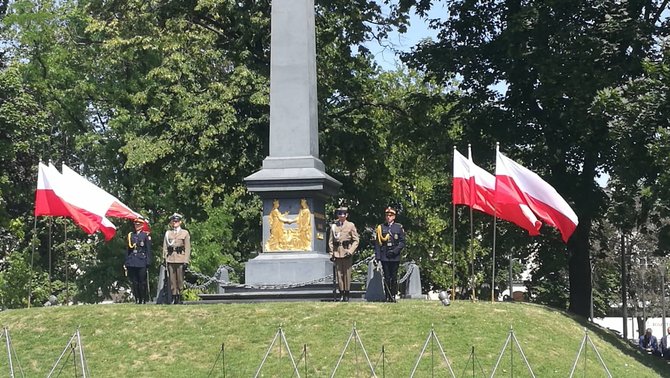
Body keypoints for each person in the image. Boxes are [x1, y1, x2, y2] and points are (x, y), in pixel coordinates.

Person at [373, 206, 405, 302]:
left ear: (394, 217)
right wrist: (378, 257)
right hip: (385, 255)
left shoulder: (398, 227)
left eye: (391, 215)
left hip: (394, 256)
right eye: (387, 215)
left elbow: (402, 242)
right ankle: (387, 296)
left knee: (394, 277)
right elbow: (378, 243)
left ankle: (393, 295)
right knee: (387, 277)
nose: (388, 217)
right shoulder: (381, 227)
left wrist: (395, 251)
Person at [328, 207, 360, 302]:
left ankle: (347, 293)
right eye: (340, 214)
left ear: (346, 215)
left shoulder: (350, 225)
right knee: (339, 275)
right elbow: (330, 241)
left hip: (346, 252)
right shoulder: (334, 226)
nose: (341, 216)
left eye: (343, 214)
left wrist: (350, 251)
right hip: (337, 253)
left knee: (347, 274)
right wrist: (331, 253)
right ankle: (341, 293)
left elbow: (356, 240)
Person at [162, 213, 191, 304]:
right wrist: (164, 258)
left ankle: (180, 296)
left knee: (180, 279)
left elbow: (187, 247)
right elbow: (165, 246)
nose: (175, 223)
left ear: (180, 222)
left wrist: (186, 260)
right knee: (172, 280)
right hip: (171, 258)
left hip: (180, 258)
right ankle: (174, 296)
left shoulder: (184, 233)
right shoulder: (168, 233)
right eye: (173, 221)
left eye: (176, 221)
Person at [125, 217, 151, 304]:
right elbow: (128, 250)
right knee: (134, 282)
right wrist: (127, 261)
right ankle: (137, 299)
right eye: (136, 224)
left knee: (142, 281)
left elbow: (148, 250)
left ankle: (143, 299)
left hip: (141, 260)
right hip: (132, 260)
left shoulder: (145, 236)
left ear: (142, 225)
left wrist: (148, 262)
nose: (137, 226)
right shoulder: (131, 235)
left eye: (139, 224)